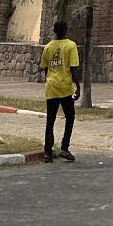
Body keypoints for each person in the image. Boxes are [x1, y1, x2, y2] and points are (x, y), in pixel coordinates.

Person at [39, 19, 80, 162]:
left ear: (54, 31)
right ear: (66, 30)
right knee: (70, 116)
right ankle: (64, 147)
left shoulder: (48, 47)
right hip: (65, 88)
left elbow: (45, 67)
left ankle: (47, 153)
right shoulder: (70, 45)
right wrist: (78, 87)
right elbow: (73, 68)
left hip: (51, 88)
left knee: (50, 121)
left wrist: (48, 80)